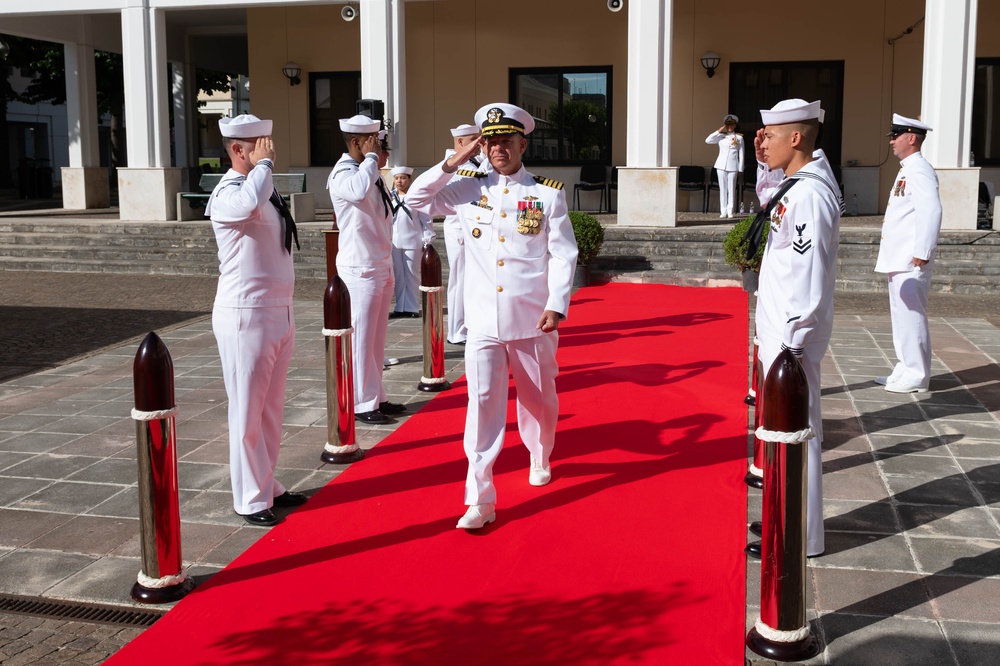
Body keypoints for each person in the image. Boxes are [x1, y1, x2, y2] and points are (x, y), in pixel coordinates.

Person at [406, 103, 578, 530]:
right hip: (483, 320)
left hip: (531, 318)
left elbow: (563, 253)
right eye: (491, 140)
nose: (498, 148)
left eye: (506, 140)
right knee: (481, 405)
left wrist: (556, 304)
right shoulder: (466, 187)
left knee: (538, 397)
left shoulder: (546, 193)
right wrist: (455, 160)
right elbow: (414, 198)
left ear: (523, 142)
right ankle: (479, 497)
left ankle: (539, 453)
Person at [752, 99, 844, 558]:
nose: (761, 141)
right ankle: (783, 520)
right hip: (781, 334)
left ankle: (799, 537)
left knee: (798, 436)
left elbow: (808, 275)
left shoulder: (809, 194)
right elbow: (773, 204)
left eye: (769, 134)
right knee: (784, 435)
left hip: (792, 340)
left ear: (795, 138)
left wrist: (791, 341)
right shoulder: (799, 184)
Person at [206, 114, 306, 527]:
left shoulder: (261, 185)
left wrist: (263, 170)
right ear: (236, 149)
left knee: (270, 409)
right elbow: (248, 204)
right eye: (257, 146)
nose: (267, 151)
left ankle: (266, 483)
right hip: (245, 313)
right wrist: (263, 167)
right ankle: (249, 498)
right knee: (247, 411)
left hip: (277, 310)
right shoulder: (228, 193)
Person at [327, 115, 407, 425]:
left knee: (375, 339)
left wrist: (371, 160)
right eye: (371, 141)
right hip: (360, 268)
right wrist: (372, 158)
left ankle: (377, 396)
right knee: (361, 339)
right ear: (357, 142)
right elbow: (358, 192)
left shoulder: (367, 171)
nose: (377, 147)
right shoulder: (344, 173)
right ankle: (361, 402)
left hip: (378, 263)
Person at [874, 114, 942, 394]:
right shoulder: (907, 168)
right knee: (900, 315)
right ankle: (904, 366)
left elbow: (932, 210)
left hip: (911, 257)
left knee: (911, 314)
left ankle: (917, 375)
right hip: (898, 257)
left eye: (896, 136)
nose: (891, 141)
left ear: (911, 138)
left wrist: (923, 250)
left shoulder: (919, 169)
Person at [443, 123, 488, 345]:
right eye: (473, 139)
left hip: (474, 229)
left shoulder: (473, 162)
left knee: (471, 280)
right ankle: (457, 330)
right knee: (460, 280)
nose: (478, 144)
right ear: (460, 142)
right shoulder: (455, 166)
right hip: (460, 230)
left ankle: (467, 324)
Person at [389, 166, 436, 318]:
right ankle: (400, 306)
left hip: (413, 240)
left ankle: (412, 307)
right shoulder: (389, 197)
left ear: (409, 180)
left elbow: (425, 219)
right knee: (398, 275)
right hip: (395, 241)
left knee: (412, 274)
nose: (399, 181)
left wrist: (426, 240)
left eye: (403, 178)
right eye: (396, 178)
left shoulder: (416, 197)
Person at [706, 114, 745, 218]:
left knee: (731, 189)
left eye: (731, 125)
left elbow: (741, 154)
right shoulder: (720, 137)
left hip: (733, 166)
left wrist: (740, 168)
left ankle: (730, 210)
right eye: (727, 125)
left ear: (735, 125)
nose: (729, 127)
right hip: (721, 165)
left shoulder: (739, 138)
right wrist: (718, 131)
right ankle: (723, 211)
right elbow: (708, 140)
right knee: (722, 188)